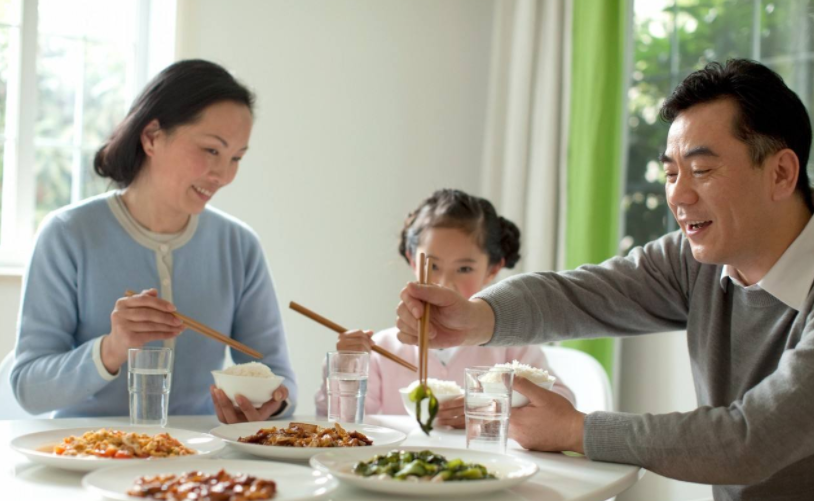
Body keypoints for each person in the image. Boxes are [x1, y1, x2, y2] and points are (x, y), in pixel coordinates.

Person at [395, 59, 814, 500]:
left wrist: (577, 430)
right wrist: (475, 316)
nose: (679, 194)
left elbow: (749, 442)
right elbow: (582, 295)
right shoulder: (696, 261)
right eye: (671, 174)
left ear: (781, 173)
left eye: (702, 170)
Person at [11, 59, 297, 423]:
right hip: (88, 456)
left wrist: (272, 405)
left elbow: (280, 377)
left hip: (200, 463)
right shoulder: (68, 234)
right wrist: (111, 349)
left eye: (236, 157)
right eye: (212, 150)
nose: (224, 175)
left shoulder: (239, 245)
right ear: (151, 137)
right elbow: (29, 390)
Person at [315, 189, 574, 427]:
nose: (444, 284)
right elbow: (342, 425)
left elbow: (562, 406)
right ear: (411, 259)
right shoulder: (380, 350)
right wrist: (347, 366)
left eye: (464, 269)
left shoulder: (513, 346)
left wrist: (488, 410)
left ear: (493, 269)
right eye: (433, 266)